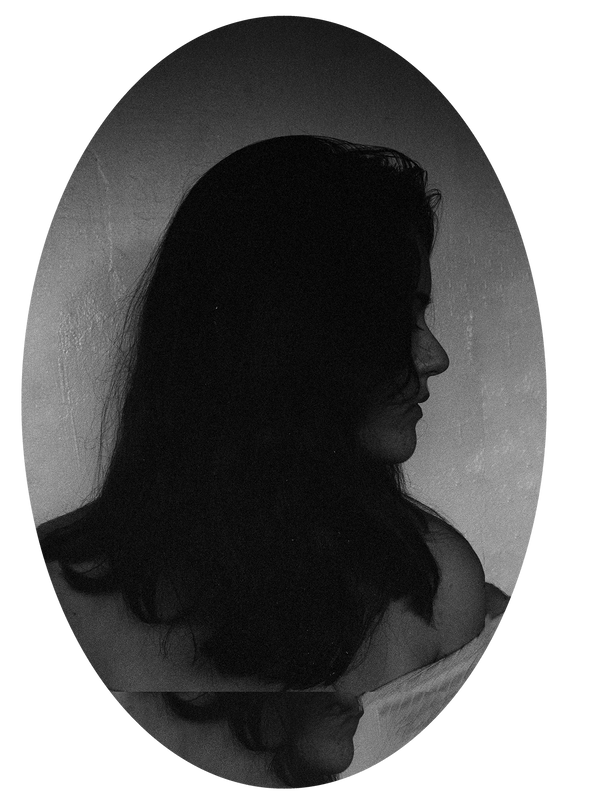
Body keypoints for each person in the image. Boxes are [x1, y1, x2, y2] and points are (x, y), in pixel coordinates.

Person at [35, 135, 511, 787]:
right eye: (396, 320)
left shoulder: (439, 587)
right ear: (286, 338)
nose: (435, 357)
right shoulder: (64, 594)